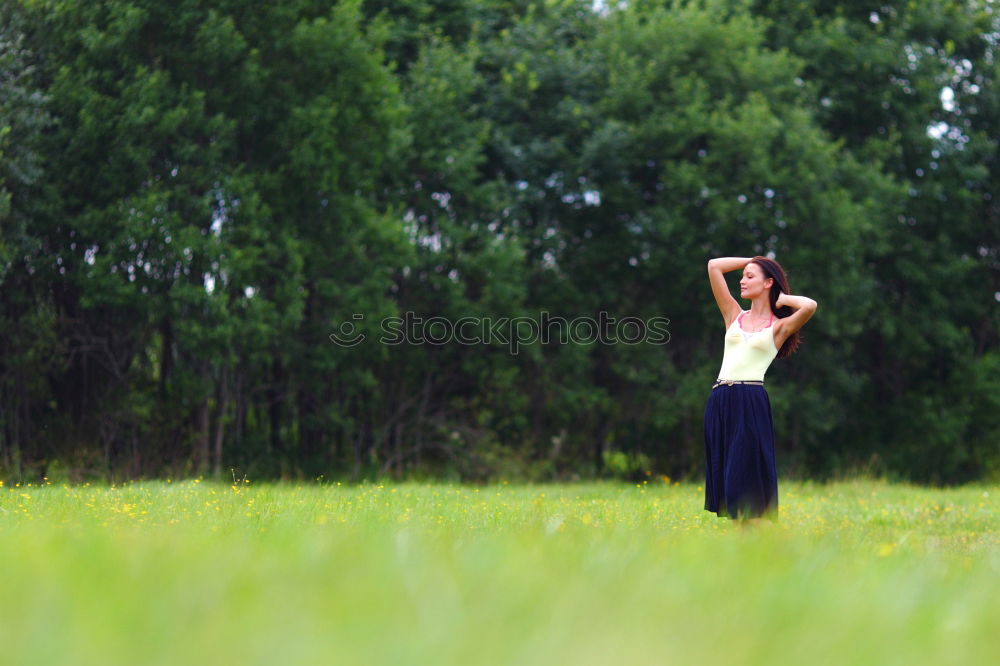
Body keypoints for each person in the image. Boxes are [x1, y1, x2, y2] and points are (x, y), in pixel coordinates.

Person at [704, 256, 817, 526]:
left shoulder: (778, 327)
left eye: (750, 276)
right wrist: (754, 260)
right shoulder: (733, 315)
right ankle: (744, 551)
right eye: (743, 275)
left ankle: (761, 545)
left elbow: (810, 305)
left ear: (768, 283)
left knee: (744, 481)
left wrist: (783, 300)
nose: (742, 280)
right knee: (728, 483)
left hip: (749, 401)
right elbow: (714, 266)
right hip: (720, 400)